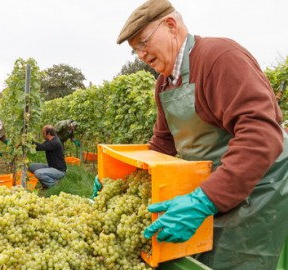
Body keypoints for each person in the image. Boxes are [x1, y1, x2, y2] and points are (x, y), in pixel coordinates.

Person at [116, 0, 288, 269]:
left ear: (171, 26)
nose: (140, 55)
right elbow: (162, 144)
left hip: (259, 182)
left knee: (231, 259)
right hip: (217, 181)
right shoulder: (164, 83)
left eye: (143, 42)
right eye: (135, 50)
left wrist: (205, 200)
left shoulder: (219, 56)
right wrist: (121, 182)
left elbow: (261, 133)